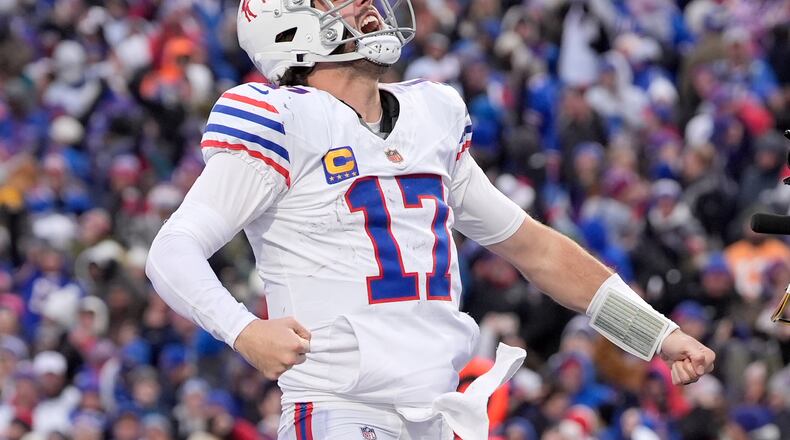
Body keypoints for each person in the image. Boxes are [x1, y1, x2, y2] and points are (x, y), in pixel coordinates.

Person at [145, 0, 716, 438]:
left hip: (440, 415)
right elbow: (173, 251)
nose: (368, 4)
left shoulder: (431, 115)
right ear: (288, 24)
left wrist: (656, 334)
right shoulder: (281, 119)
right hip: (342, 412)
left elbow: (535, 250)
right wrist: (244, 331)